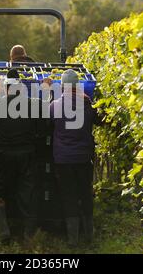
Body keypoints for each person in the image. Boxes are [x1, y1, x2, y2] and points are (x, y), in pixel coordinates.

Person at [0, 69, 39, 244]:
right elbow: (47, 104)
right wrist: (46, 86)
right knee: (27, 193)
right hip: (26, 154)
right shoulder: (31, 103)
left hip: (3, 154)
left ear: (7, 87)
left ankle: (4, 231)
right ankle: (29, 235)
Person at [48, 69, 99, 247]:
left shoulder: (54, 105)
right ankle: (89, 235)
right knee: (85, 193)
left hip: (63, 158)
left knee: (68, 196)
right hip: (83, 157)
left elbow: (49, 125)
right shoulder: (87, 104)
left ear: (62, 86)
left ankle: (72, 238)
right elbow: (99, 120)